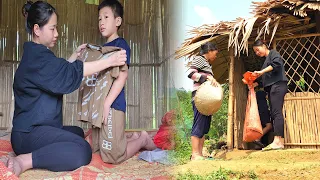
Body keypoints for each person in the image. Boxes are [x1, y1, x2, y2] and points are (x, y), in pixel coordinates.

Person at [6, 1, 127, 176]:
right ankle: (25, 160)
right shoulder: (37, 58)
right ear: (37, 29)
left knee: (77, 132)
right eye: (52, 28)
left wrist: (73, 57)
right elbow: (66, 73)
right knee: (82, 150)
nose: (57, 33)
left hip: (39, 127)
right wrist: (109, 62)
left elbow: (56, 75)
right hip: (28, 134)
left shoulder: (38, 55)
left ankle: (38, 151)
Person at [97, 0, 156, 164]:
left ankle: (142, 139)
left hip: (113, 105)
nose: (101, 22)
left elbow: (122, 76)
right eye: (99, 18)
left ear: (117, 21)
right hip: (104, 104)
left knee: (114, 156)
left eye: (106, 17)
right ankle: (133, 137)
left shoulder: (120, 44)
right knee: (103, 146)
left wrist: (107, 104)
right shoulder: (103, 48)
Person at [251, 39, 288, 151]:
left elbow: (276, 65)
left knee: (276, 112)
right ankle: (278, 141)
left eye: (258, 50)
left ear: (264, 45)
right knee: (274, 113)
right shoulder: (265, 63)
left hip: (278, 85)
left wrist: (261, 72)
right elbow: (264, 80)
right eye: (255, 52)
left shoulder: (273, 53)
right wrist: (253, 83)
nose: (257, 53)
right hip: (272, 88)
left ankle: (278, 140)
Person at [187, 42, 218, 160]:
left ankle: (200, 154)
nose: (216, 55)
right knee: (199, 125)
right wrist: (207, 77)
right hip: (199, 99)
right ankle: (195, 154)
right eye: (215, 52)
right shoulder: (199, 59)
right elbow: (191, 74)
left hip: (206, 100)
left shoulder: (207, 64)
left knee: (204, 127)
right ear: (210, 50)